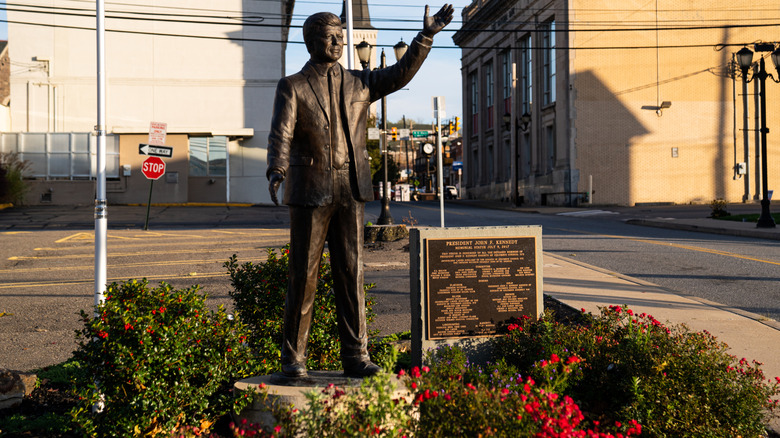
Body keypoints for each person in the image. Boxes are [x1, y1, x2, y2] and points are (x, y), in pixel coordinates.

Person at [266, 4, 454, 378]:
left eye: (340, 34)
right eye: (330, 35)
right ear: (310, 41)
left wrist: (426, 36)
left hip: (351, 189)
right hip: (311, 190)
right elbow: (280, 133)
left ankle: (355, 356)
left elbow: (400, 73)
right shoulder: (293, 85)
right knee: (303, 276)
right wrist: (277, 168)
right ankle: (293, 360)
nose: (338, 41)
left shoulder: (360, 82)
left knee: (352, 273)